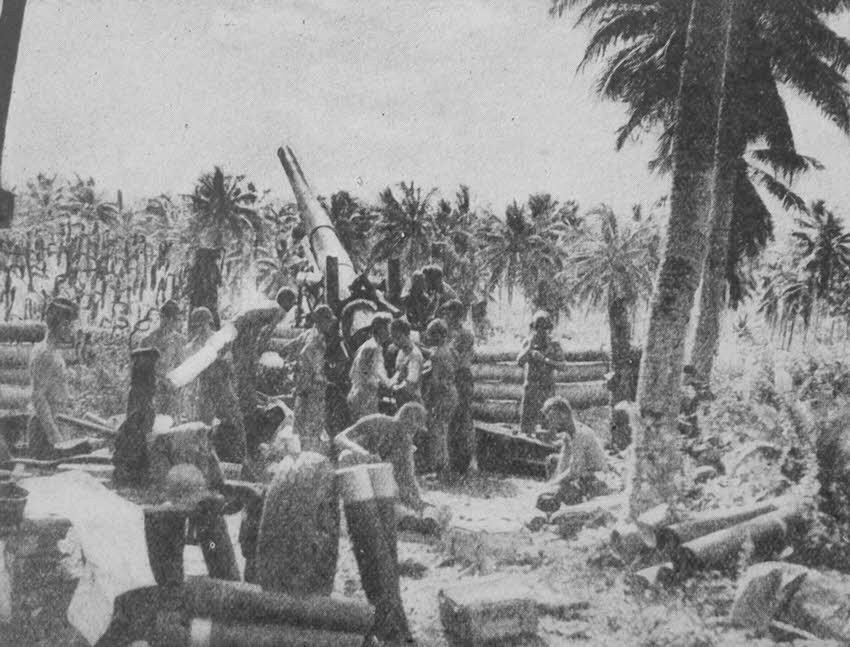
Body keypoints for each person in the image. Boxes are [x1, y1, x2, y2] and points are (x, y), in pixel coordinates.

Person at [334, 402, 428, 511]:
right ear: (405, 418)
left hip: (376, 480)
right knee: (346, 456)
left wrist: (418, 500)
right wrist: (362, 453)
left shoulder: (405, 443)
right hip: (355, 469)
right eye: (413, 427)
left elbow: (408, 478)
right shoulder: (377, 421)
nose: (413, 433)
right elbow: (340, 438)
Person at [184, 307, 247, 463]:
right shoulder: (192, 346)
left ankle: (239, 459)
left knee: (234, 423)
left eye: (204, 324)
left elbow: (230, 367)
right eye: (198, 325)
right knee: (203, 427)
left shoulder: (221, 341)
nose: (202, 328)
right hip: (205, 390)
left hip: (223, 387)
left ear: (209, 323)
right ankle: (203, 461)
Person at [27, 298, 81, 459]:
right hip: (44, 430)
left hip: (55, 422)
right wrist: (55, 438)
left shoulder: (53, 352)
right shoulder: (45, 353)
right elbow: (38, 396)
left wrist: (67, 398)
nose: (71, 330)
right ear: (60, 325)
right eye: (69, 325)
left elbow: (51, 387)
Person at [538, 396, 608, 511]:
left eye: (552, 419)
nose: (551, 424)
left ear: (563, 415)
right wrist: (553, 482)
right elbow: (564, 462)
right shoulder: (568, 433)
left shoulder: (580, 434)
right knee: (553, 460)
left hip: (596, 478)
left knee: (566, 489)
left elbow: (575, 471)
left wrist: (552, 485)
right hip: (584, 472)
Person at [292, 305, 337, 453]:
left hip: (303, 385)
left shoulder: (307, 333)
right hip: (313, 386)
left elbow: (294, 348)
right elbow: (306, 353)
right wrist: (317, 372)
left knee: (302, 423)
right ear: (322, 321)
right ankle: (309, 453)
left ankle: (303, 452)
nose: (330, 325)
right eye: (328, 321)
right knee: (313, 424)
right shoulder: (318, 337)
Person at [517, 311, 566, 436]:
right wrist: (529, 348)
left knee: (547, 423)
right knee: (527, 426)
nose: (541, 331)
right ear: (533, 328)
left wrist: (545, 360)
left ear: (548, 328)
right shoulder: (529, 342)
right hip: (531, 388)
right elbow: (519, 361)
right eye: (538, 327)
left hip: (547, 388)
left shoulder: (554, 344)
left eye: (544, 327)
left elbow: (562, 366)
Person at [441, 299, 476, 475]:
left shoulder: (464, 335)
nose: (446, 316)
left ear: (458, 315)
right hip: (450, 376)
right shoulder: (445, 333)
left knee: (462, 418)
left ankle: (468, 462)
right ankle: (453, 461)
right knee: (450, 420)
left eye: (449, 313)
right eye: (446, 313)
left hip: (460, 377)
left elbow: (457, 359)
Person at [423, 318, 458, 479]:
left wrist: (429, 399)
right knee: (443, 431)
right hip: (451, 392)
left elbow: (435, 381)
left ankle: (440, 471)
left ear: (437, 335)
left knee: (437, 432)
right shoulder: (450, 350)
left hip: (442, 395)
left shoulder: (437, 354)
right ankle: (445, 469)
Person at [140, 299, 186, 418]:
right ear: (164, 318)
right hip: (151, 390)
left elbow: (181, 366)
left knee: (169, 423)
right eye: (172, 319)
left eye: (176, 320)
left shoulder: (178, 341)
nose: (173, 323)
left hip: (170, 390)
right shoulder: (147, 340)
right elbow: (140, 368)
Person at [347, 314, 393, 422]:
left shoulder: (367, 345)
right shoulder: (374, 347)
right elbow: (378, 371)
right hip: (365, 395)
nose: (389, 333)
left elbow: (352, 373)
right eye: (388, 329)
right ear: (380, 329)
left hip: (357, 392)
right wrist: (389, 383)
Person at [389, 318, 423, 407]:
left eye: (398, 337)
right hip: (401, 400)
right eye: (393, 337)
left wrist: (395, 388)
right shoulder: (402, 351)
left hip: (412, 402)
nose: (395, 342)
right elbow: (399, 372)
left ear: (407, 334)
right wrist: (391, 382)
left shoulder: (415, 355)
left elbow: (410, 382)